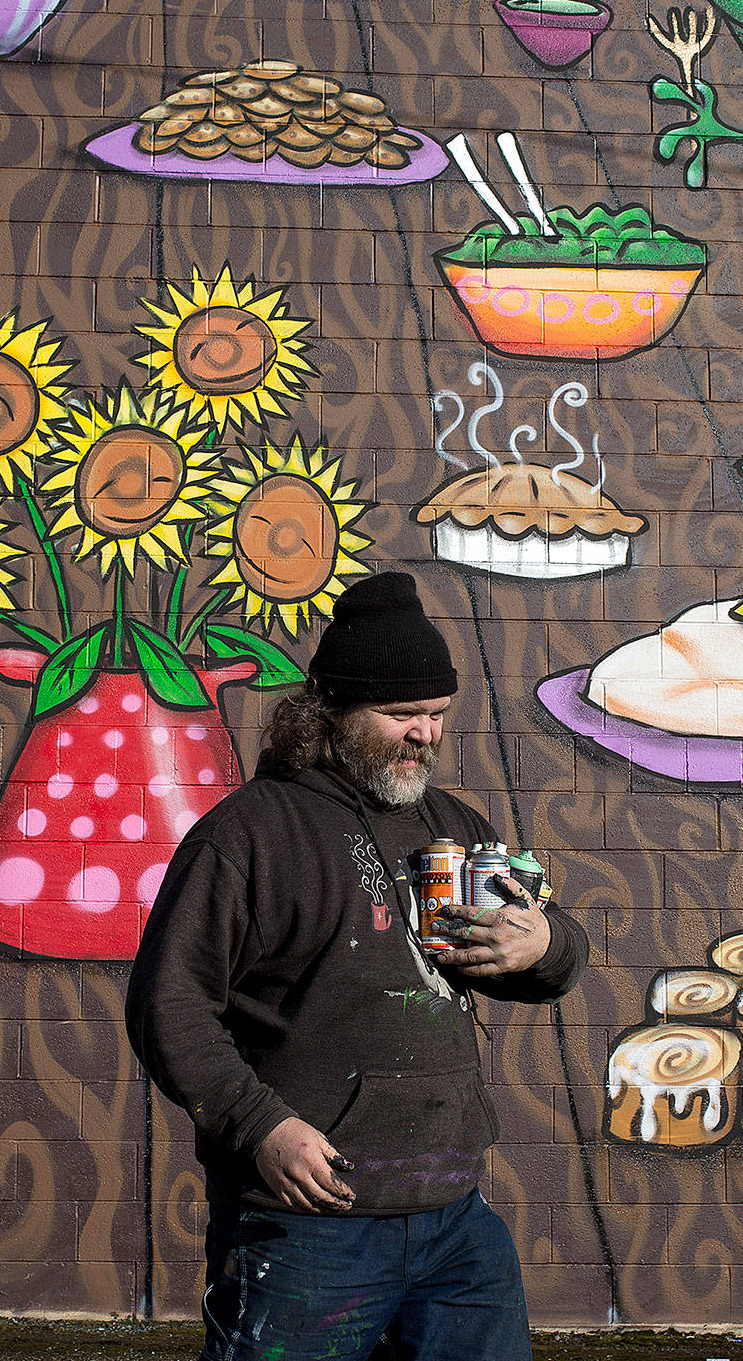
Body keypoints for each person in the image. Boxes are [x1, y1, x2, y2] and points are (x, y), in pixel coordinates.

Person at [125, 570, 588, 1361]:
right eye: (402, 714)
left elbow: (547, 948)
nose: (426, 735)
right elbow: (168, 1005)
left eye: (437, 715)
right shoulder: (248, 836)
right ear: (331, 712)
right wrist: (258, 1124)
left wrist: (544, 947)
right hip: (309, 1222)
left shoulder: (452, 823)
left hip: (452, 1217)